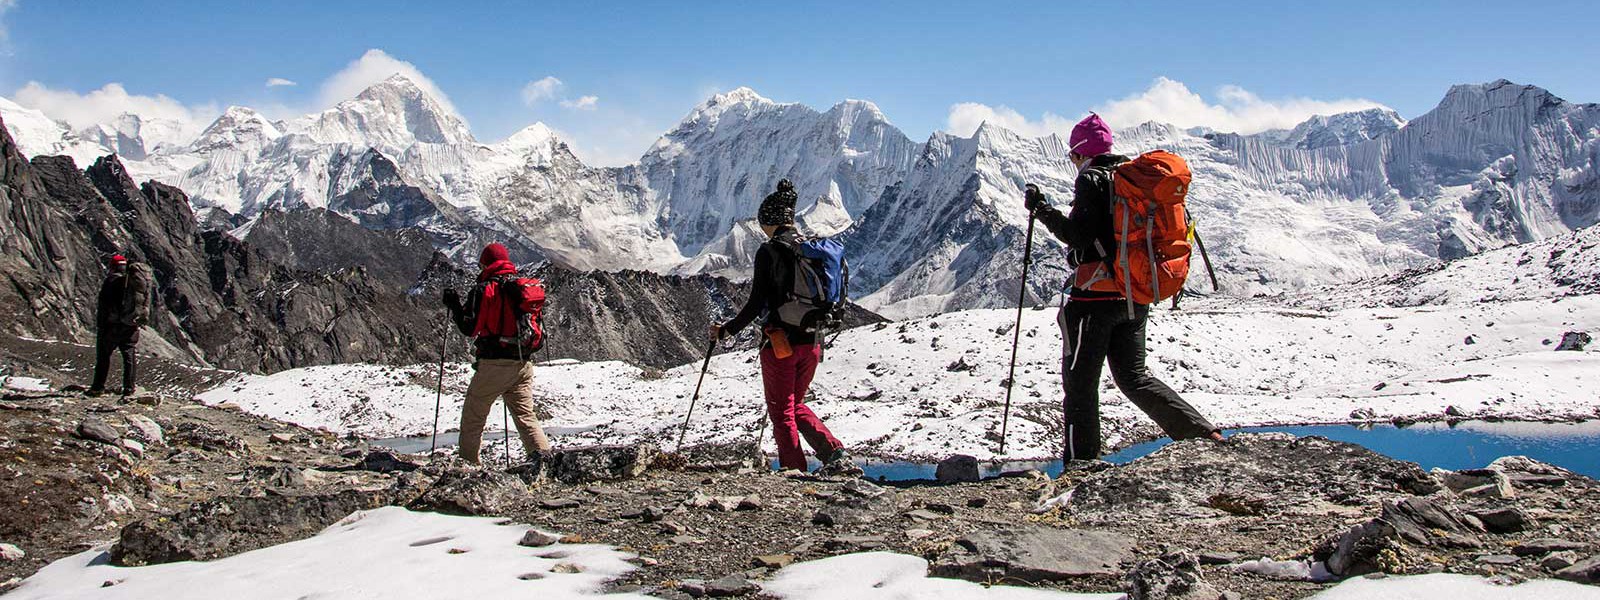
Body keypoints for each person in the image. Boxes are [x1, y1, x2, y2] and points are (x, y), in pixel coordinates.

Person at [1025, 114, 1223, 462]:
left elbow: (1079, 236)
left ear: (1081, 154)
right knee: (1134, 377)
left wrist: (1041, 210)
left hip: (1092, 301)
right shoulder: (1132, 178)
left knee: (1080, 387)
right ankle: (1202, 434)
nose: (1074, 162)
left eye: (1074, 155)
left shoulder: (1092, 179)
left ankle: (1081, 466)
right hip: (1133, 295)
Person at [713, 180, 861, 476]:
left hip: (781, 345)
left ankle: (794, 470)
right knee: (795, 403)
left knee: (781, 411)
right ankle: (833, 451)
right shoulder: (811, 249)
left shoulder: (770, 251)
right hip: (813, 342)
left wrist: (726, 330)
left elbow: (756, 304)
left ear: (768, 221)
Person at [443, 243, 551, 468]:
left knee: (474, 416)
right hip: (522, 362)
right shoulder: (520, 288)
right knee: (526, 417)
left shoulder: (485, 289)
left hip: (495, 364)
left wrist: (454, 306)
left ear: (486, 263)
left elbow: (469, 328)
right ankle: (545, 462)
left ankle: (468, 465)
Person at [89, 254, 147, 397]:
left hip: (111, 326)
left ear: (112, 266)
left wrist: (103, 324)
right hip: (130, 325)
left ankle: (98, 387)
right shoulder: (133, 283)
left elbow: (105, 305)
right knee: (129, 355)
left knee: (104, 356)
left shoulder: (111, 281)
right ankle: (129, 388)